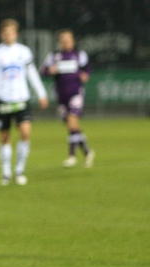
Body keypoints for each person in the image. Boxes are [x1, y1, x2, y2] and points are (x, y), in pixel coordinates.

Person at [0, 19, 48, 186]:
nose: (8, 35)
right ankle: (6, 172)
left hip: (21, 98)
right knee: (4, 136)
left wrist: (41, 93)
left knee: (25, 133)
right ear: (1, 34)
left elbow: (32, 73)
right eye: (5, 32)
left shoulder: (24, 52)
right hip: (2, 98)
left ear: (16, 34)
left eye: (11, 32)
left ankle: (19, 170)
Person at [41, 29, 95, 168]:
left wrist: (85, 75)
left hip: (76, 93)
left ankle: (72, 156)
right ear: (60, 42)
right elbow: (43, 71)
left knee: (72, 122)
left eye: (68, 39)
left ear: (73, 41)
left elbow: (87, 69)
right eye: (63, 40)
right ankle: (87, 152)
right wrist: (49, 71)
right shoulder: (54, 56)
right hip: (61, 96)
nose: (66, 42)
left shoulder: (79, 55)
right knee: (72, 126)